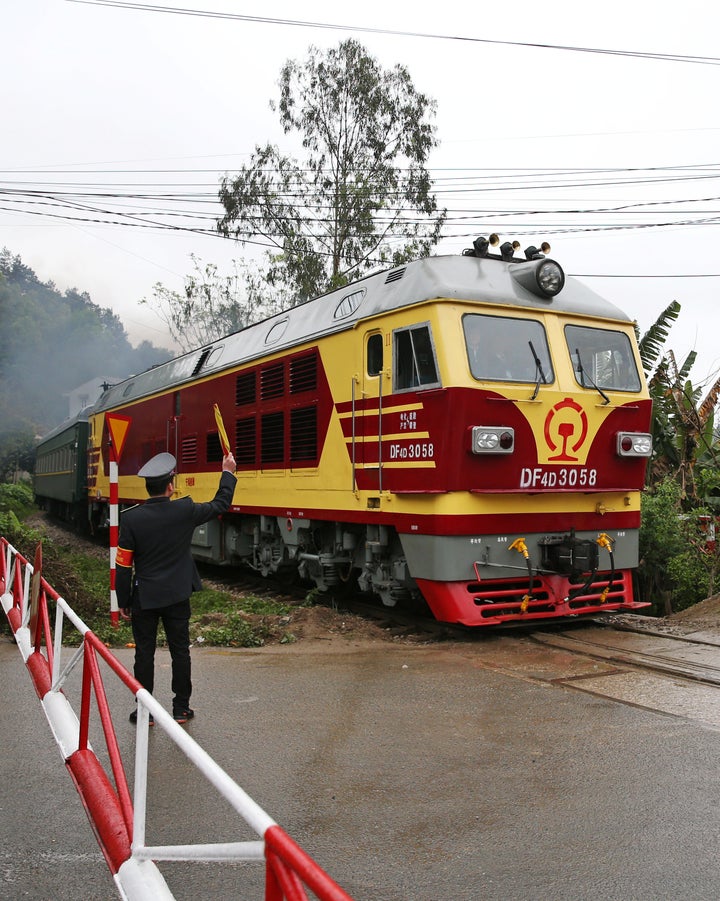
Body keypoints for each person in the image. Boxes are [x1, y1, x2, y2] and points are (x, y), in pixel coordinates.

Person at [117, 450, 237, 725]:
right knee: (179, 651)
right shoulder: (185, 510)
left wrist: (123, 599)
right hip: (177, 595)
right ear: (170, 486)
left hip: (145, 597)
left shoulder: (132, 519)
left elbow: (124, 565)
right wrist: (227, 472)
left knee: (144, 653)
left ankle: (144, 710)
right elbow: (220, 504)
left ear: (147, 487)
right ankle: (181, 708)